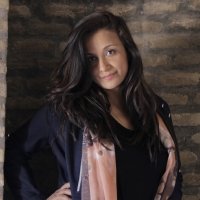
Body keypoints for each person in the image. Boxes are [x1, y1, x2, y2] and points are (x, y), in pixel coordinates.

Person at [4, 11, 182, 200]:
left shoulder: (156, 110)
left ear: (128, 51)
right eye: (91, 59)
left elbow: (174, 178)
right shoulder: (67, 111)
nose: (103, 66)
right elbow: (12, 150)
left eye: (110, 51)